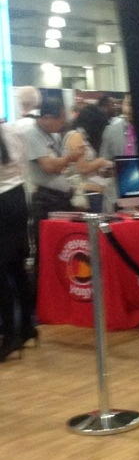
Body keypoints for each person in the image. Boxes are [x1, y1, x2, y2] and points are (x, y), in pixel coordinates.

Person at [25, 96, 85, 262]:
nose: (64, 124)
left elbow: (59, 166)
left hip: (61, 199)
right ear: (48, 118)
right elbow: (49, 166)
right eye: (61, 120)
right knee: (47, 251)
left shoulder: (53, 135)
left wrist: (64, 161)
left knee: (63, 247)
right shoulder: (32, 134)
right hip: (45, 201)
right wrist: (70, 157)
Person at [0, 120, 36, 361]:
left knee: (1, 273)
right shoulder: (14, 130)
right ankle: (27, 327)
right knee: (17, 267)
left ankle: (10, 335)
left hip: (2, 203)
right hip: (18, 198)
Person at [64, 104, 114, 211]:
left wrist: (103, 171)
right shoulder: (76, 136)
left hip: (93, 189)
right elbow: (82, 168)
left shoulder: (83, 137)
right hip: (86, 192)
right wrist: (101, 162)